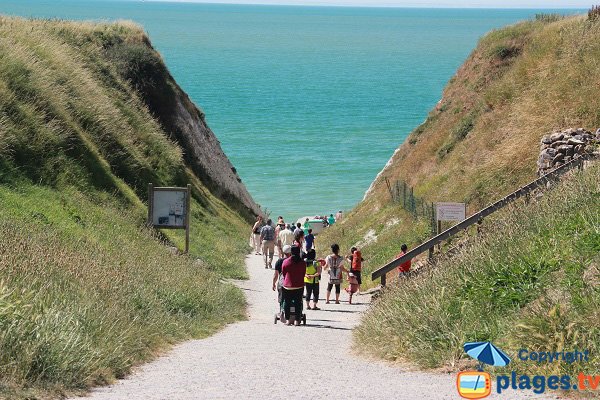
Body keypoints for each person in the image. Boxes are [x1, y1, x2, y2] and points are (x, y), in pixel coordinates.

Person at [281, 245, 307, 326]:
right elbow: (303, 273)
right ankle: (296, 320)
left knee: (287, 303)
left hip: (287, 286)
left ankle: (288, 320)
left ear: (291, 252)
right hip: (299, 285)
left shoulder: (286, 262)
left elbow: (284, 273)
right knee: (298, 303)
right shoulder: (302, 262)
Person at [273, 245, 292, 323]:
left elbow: (276, 274)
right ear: (290, 253)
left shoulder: (279, 261)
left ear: (283, 252)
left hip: (281, 283)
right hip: (291, 283)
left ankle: (282, 311)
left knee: (281, 299)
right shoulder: (292, 261)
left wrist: (273, 283)